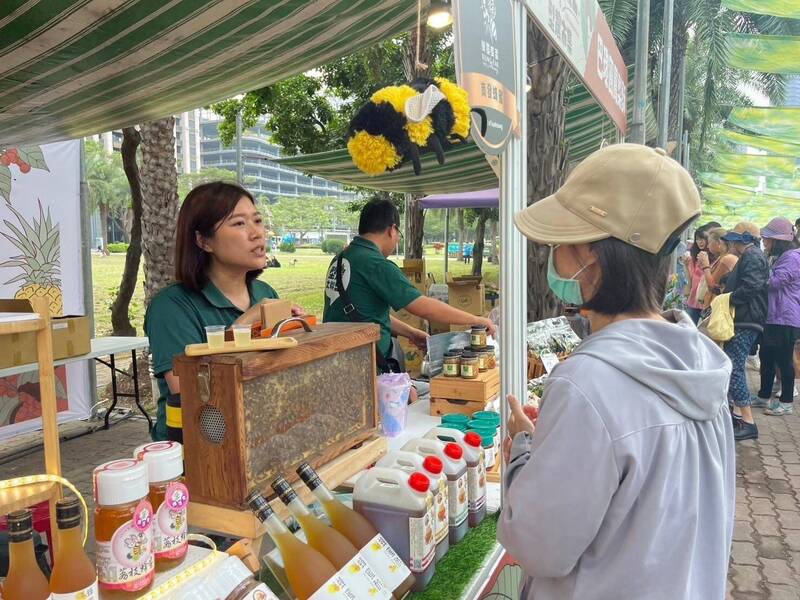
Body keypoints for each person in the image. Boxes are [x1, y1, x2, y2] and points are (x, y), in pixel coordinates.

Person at [498, 144, 734, 600]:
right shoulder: (703, 366)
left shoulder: (587, 383)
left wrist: (524, 452)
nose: (556, 255)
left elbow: (537, 547)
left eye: (564, 241)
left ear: (596, 257)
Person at [145, 182, 303, 441]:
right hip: (200, 452)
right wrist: (244, 324)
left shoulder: (265, 293)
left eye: (258, 220)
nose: (257, 234)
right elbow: (189, 392)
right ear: (203, 241)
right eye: (239, 223)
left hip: (259, 436)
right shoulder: (171, 307)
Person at [323, 199, 495, 372]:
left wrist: (411, 333)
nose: (397, 239)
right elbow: (423, 307)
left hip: (336, 360)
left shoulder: (340, 259)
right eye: (399, 234)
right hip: (365, 367)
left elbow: (365, 315)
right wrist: (476, 320)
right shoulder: (375, 263)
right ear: (392, 230)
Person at [720, 222, 769, 441]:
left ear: (746, 239)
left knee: (735, 367)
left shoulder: (752, 256)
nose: (731, 243)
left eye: (734, 239)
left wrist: (728, 298)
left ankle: (748, 422)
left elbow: (752, 286)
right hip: (745, 318)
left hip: (746, 319)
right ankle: (739, 416)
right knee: (734, 365)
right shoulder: (753, 256)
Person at [755, 218, 800, 415]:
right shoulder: (782, 256)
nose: (764, 242)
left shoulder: (792, 257)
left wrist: (758, 272)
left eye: (767, 239)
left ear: (778, 240)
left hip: (785, 317)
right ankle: (764, 395)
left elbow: (776, 282)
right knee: (766, 356)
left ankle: (786, 402)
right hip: (774, 317)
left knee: (783, 360)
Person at [699, 227, 739, 309]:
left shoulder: (727, 259)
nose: (707, 246)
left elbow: (712, 286)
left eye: (709, 242)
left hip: (716, 306)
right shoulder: (721, 258)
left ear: (718, 243)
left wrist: (705, 266)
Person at [683, 227, 709, 323]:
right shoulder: (694, 256)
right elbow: (690, 278)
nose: (700, 242)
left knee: (705, 330)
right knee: (689, 325)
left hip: (706, 298)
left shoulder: (713, 257)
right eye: (697, 239)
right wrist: (685, 266)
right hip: (694, 297)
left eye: (702, 239)